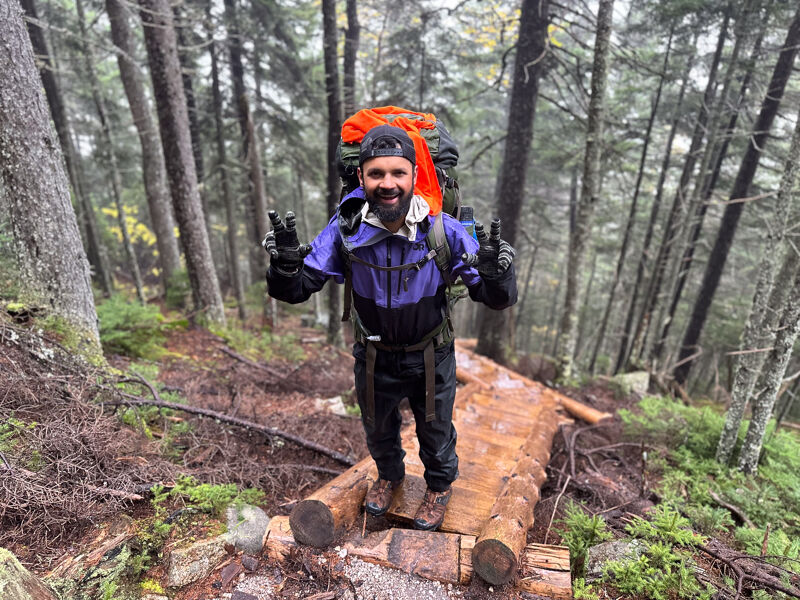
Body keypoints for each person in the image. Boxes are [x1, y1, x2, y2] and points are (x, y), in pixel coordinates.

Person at [264, 124, 517, 532]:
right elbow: (296, 290)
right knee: (378, 427)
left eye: (398, 173)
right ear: (361, 177)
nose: (387, 184)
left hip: (430, 354)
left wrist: (498, 274)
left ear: (415, 176)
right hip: (373, 355)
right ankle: (389, 476)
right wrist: (284, 266)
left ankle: (438, 487)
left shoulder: (442, 231)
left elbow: (496, 297)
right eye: (376, 173)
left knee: (435, 432)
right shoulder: (346, 230)